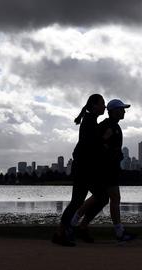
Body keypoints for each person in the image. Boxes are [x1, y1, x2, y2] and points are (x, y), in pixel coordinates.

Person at [73, 99, 136, 242]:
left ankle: (78, 223)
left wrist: (116, 155)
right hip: (105, 169)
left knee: (102, 198)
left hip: (110, 168)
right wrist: (111, 153)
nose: (124, 111)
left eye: (124, 109)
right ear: (113, 111)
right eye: (121, 109)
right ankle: (118, 232)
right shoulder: (107, 126)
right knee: (111, 198)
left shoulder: (114, 126)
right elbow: (98, 145)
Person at [54, 94, 110, 247]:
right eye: (102, 103)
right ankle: (65, 231)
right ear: (94, 106)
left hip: (85, 168)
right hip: (84, 169)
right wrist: (104, 137)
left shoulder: (90, 121)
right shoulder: (89, 121)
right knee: (89, 199)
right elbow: (93, 144)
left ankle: (75, 228)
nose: (104, 106)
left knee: (97, 198)